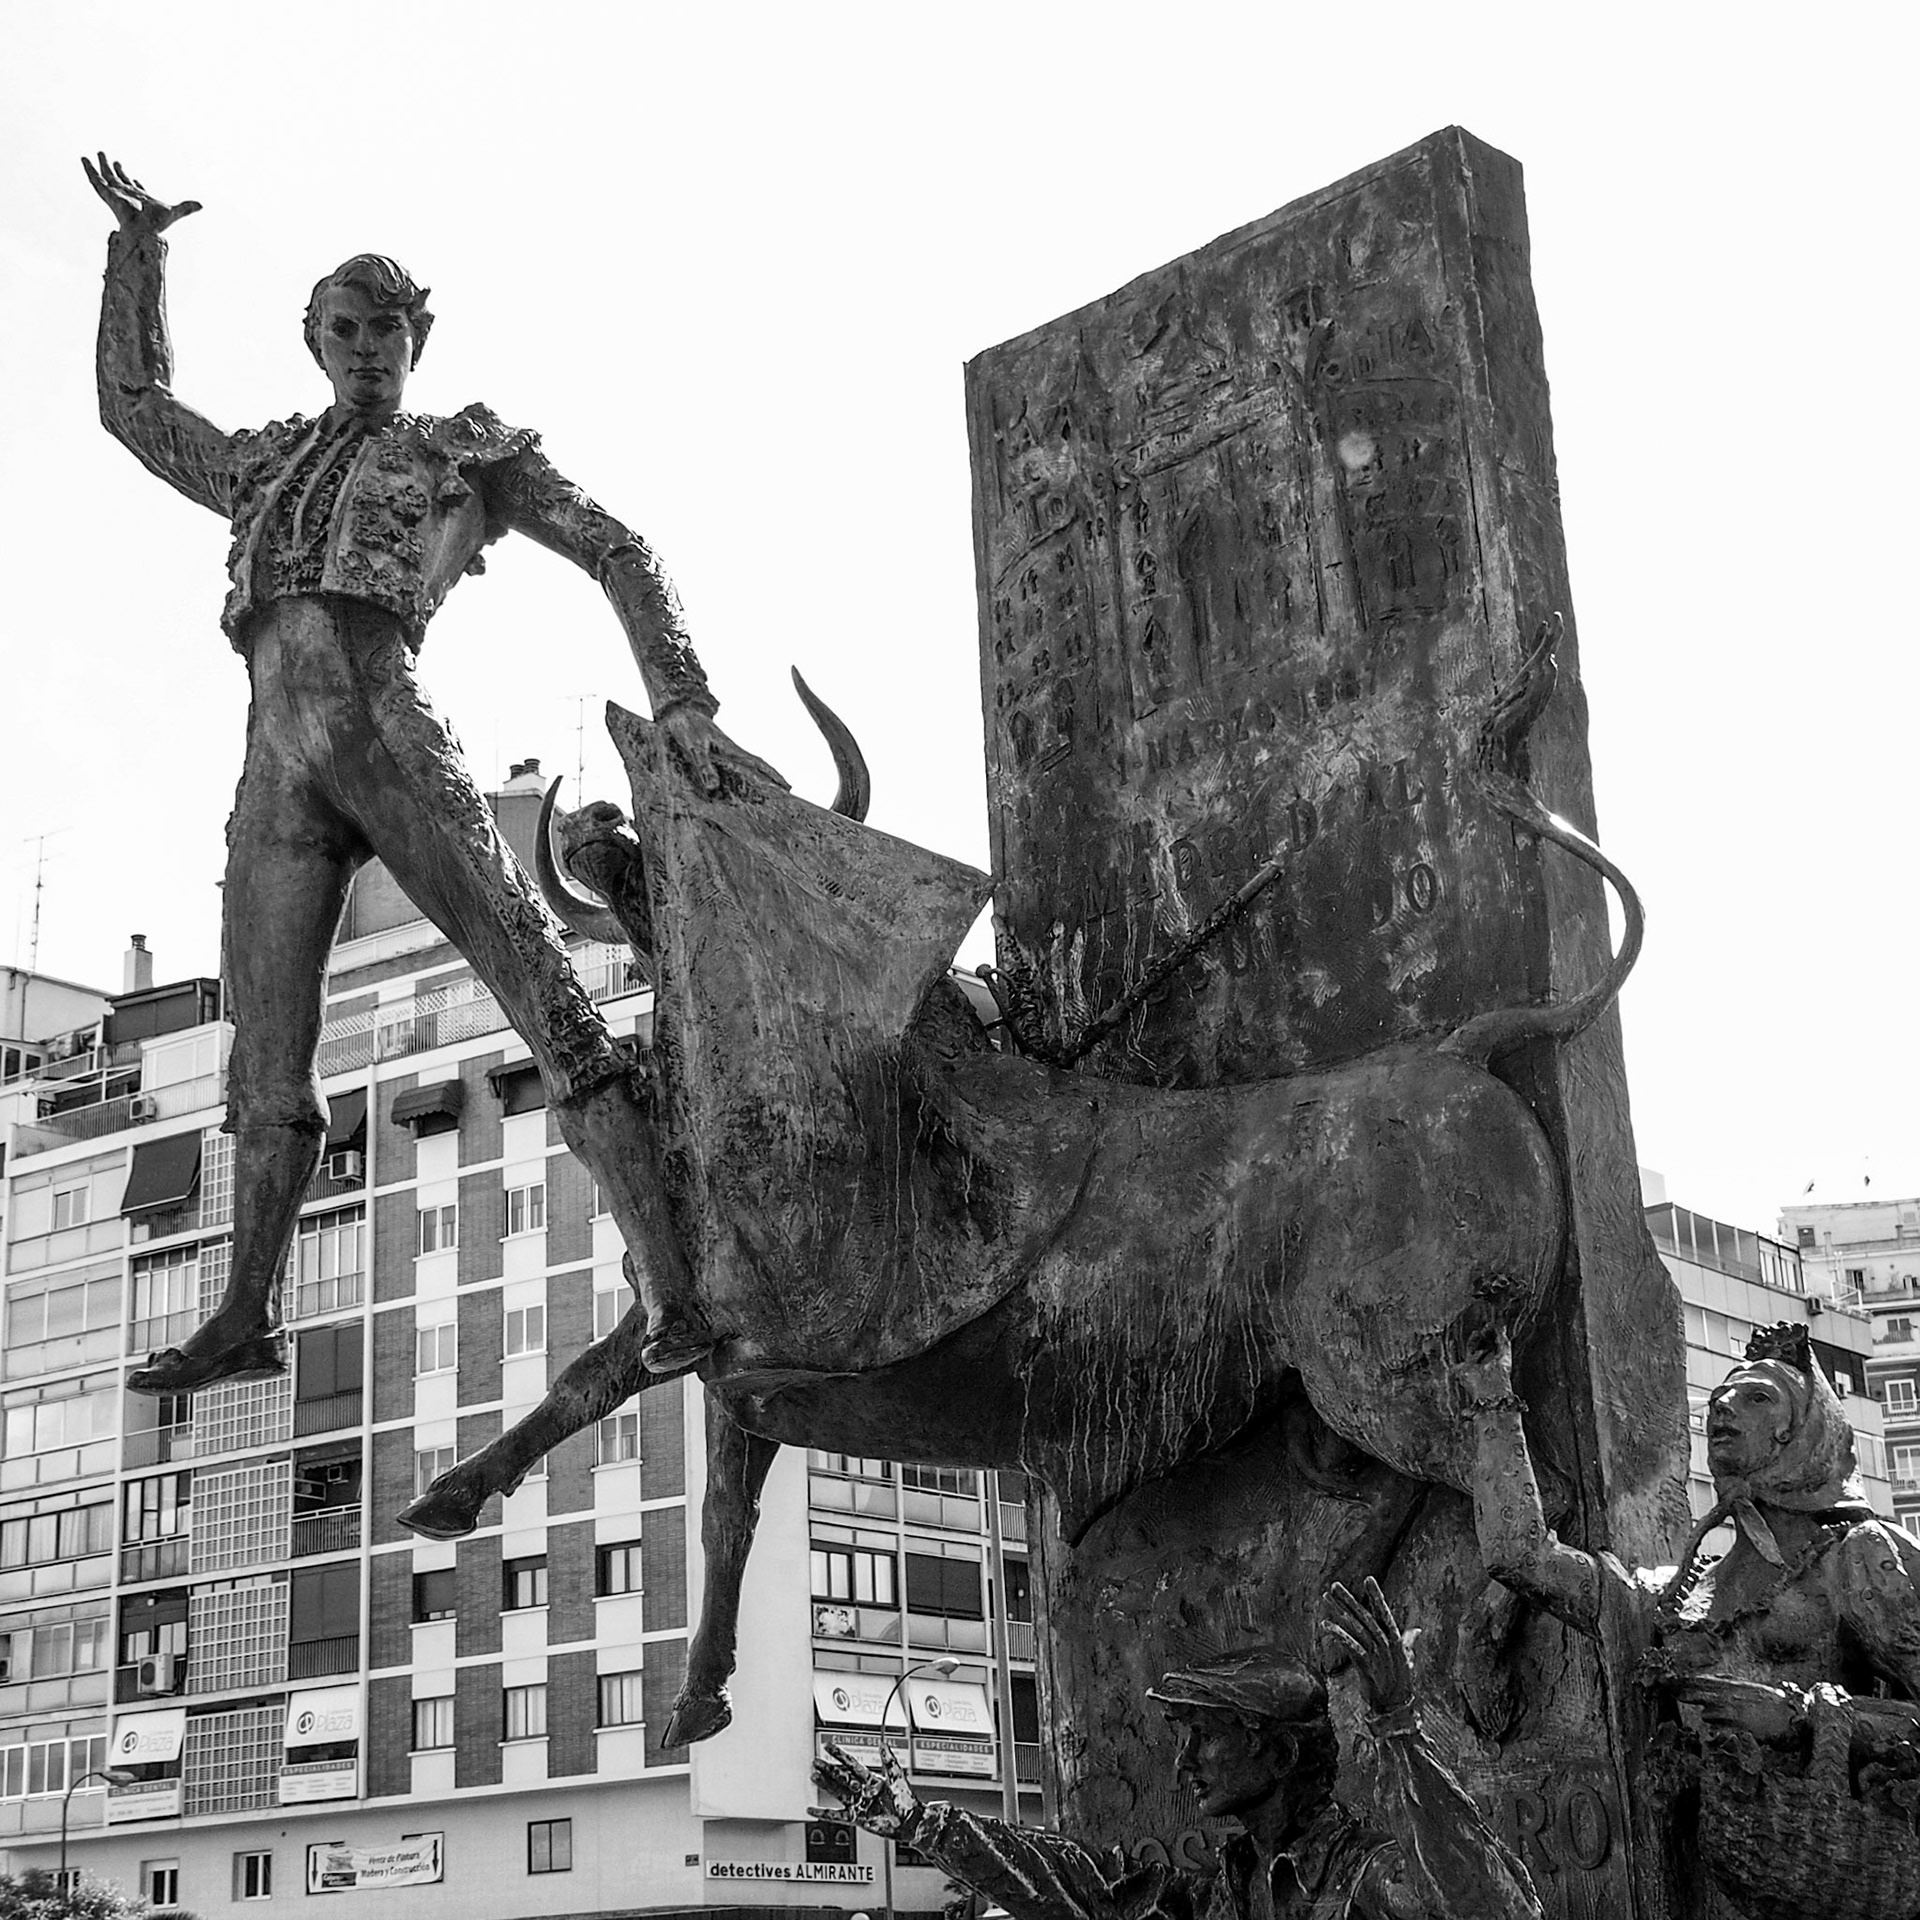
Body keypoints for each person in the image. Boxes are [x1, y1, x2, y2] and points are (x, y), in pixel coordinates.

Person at [84, 154, 766, 1390]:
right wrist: (140, 257)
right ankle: (247, 1310)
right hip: (274, 768)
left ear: (419, 339)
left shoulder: (465, 454)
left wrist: (685, 700)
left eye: (388, 331)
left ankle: (676, 1292)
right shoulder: (261, 463)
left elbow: (617, 546)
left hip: (391, 734)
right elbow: (133, 405)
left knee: (538, 983)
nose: (367, 351)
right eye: (344, 331)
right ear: (314, 341)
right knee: (260, 1065)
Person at [1455, 1313, 1920, 1915]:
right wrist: (1490, 1396)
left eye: (1755, 1398)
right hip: (1697, 1883)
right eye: (1719, 1395)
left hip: (1815, 1868)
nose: (1723, 1406)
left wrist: (1797, 1718)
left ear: (1798, 1433)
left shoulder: (1854, 1557)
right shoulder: (1672, 1595)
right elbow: (1519, 1556)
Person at [811, 1579, 1539, 1920]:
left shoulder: (1367, 1877)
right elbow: (1079, 1882)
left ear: (1279, 1756)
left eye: (1206, 1738)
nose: (1182, 1763)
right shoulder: (1221, 1891)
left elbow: (1497, 1912)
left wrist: (1401, 1724)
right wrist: (923, 1824)